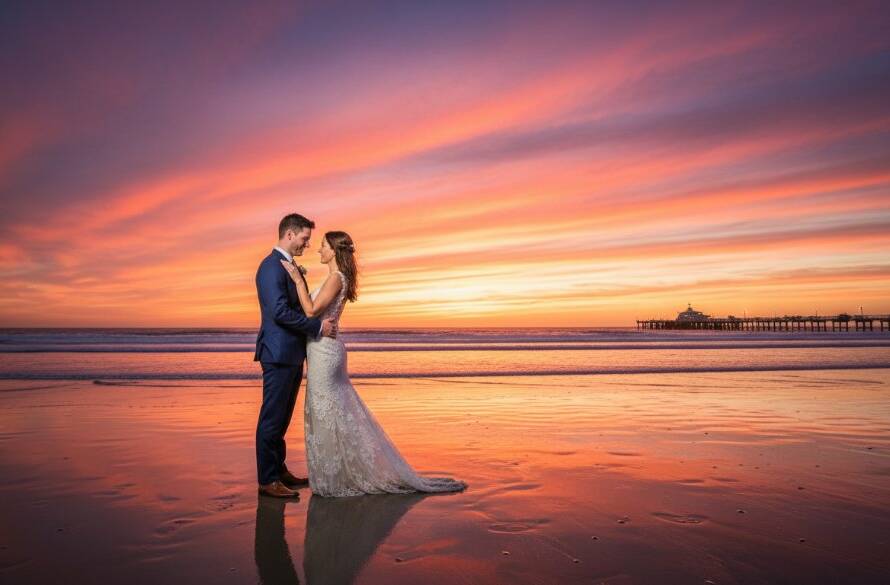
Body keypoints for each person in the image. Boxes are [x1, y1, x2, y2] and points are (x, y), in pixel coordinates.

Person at [281, 230, 467, 497]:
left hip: (325, 352)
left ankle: (337, 476)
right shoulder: (335, 278)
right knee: (330, 411)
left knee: (328, 411)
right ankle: (337, 472)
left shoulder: (336, 278)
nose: (318, 250)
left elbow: (310, 311)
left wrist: (298, 280)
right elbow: (313, 312)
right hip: (322, 349)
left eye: (322, 246)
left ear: (333, 250)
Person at [254, 213, 336, 498]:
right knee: (272, 418)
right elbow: (279, 312)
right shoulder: (270, 268)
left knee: (282, 417)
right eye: (304, 238)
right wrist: (316, 326)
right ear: (289, 235)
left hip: (290, 353)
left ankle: (279, 470)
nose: (306, 244)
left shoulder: (286, 266)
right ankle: (267, 480)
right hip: (277, 353)